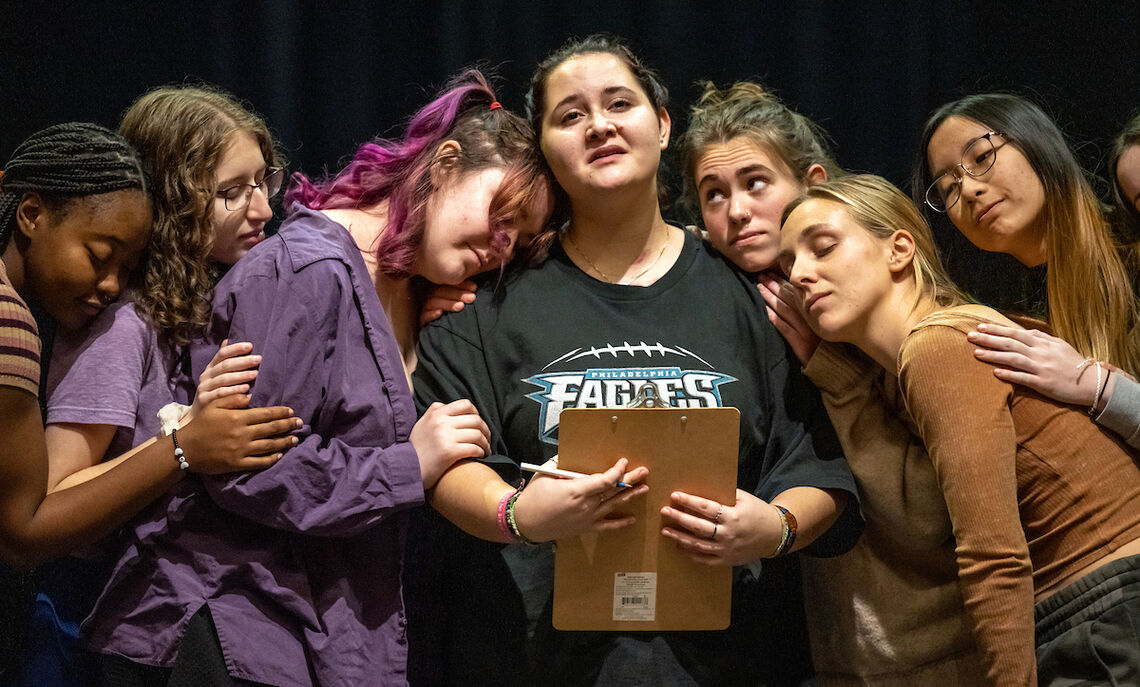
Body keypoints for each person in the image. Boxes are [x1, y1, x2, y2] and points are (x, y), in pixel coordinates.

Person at [411, 35, 860, 686]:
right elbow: (449, 463)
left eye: (619, 103)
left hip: (735, 658)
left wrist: (777, 527)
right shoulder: (484, 299)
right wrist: (517, 512)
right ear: (543, 147)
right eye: (570, 115)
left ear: (663, 123)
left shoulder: (753, 291)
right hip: (535, 660)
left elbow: (821, 463)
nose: (598, 124)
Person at [82, 70, 549, 686]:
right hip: (235, 629)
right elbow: (250, 467)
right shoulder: (310, 268)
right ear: (444, 163)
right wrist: (410, 465)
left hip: (329, 640)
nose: (504, 244)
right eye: (502, 213)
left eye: (522, 235)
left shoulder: (424, 291)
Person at [780, 173, 1140, 686]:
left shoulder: (937, 349)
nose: (802, 276)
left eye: (823, 247)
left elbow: (992, 553)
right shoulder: (923, 357)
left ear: (899, 249)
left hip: (1108, 607)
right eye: (788, 265)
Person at [681, 82, 986, 684]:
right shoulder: (733, 288)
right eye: (713, 195)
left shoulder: (870, 296)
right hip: (842, 656)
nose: (736, 211)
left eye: (756, 183)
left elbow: (932, 514)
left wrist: (839, 373)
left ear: (813, 182)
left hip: (947, 650)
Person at [0, 122, 298, 682]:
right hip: (77, 609)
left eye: (265, 183)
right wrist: (184, 447)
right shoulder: (77, 327)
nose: (260, 209)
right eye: (231, 191)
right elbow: (31, 522)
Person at [913, 93, 1139, 375]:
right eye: (949, 188)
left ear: (1035, 142)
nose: (968, 190)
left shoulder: (1133, 251)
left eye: (982, 157)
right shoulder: (993, 323)